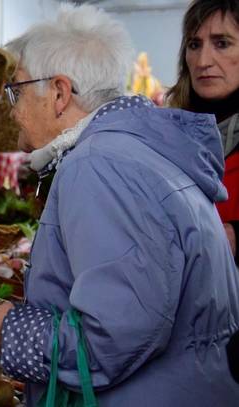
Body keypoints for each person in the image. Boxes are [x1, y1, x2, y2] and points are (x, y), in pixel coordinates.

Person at [0, 4, 239, 406]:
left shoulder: (99, 165)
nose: (12, 110)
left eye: (16, 90)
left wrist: (10, 330)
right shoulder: (135, 150)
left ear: (59, 93)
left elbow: (114, 338)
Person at [166, 0, 239, 385]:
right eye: (194, 45)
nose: (204, 59)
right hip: (179, 344)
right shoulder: (168, 134)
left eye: (222, 43)